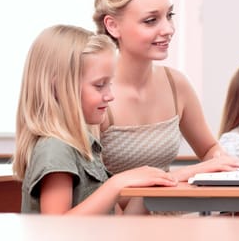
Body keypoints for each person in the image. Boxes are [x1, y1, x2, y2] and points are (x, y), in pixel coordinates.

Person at [92, 0, 239, 184]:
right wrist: (184, 174)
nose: (168, 29)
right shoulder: (96, 96)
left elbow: (209, 149)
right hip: (118, 217)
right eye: (151, 20)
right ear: (113, 26)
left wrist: (225, 162)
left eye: (169, 16)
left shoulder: (176, 84)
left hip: (171, 214)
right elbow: (96, 192)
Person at [12, 24, 177, 215]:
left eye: (110, 84)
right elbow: (56, 231)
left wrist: (146, 187)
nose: (110, 95)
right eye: (100, 85)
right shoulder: (55, 149)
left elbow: (120, 225)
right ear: (58, 87)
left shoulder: (84, 147)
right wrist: (115, 185)